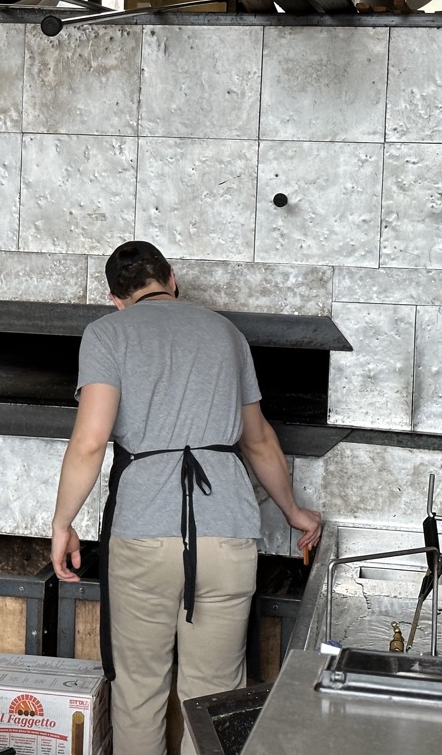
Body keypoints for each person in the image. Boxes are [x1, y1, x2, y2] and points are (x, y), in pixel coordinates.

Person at [50, 240, 322, 755]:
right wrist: (293, 511)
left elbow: (89, 441)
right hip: (227, 532)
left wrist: (64, 522)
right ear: (171, 278)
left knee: (139, 690)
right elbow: (258, 437)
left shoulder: (107, 334)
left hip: (142, 534)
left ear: (116, 298)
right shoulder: (225, 332)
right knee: (215, 695)